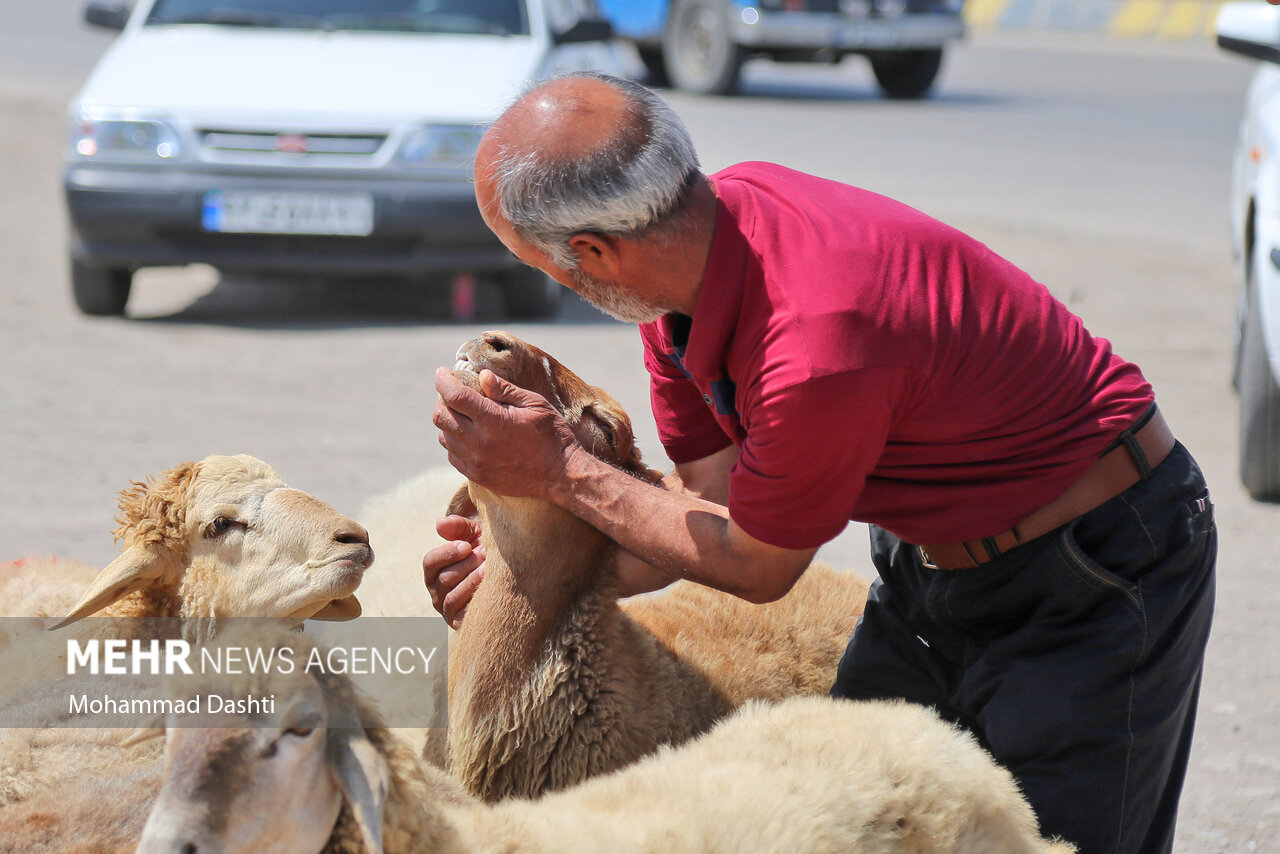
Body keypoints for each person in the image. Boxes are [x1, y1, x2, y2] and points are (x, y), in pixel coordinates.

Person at [427, 72, 1215, 854]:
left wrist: (561, 469)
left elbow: (758, 564)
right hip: (934, 570)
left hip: (1095, 568)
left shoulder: (817, 344)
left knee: (1055, 840)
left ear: (595, 252)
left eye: (538, 262)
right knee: (848, 818)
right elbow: (710, 499)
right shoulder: (687, 281)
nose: (551, 281)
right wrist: (524, 578)